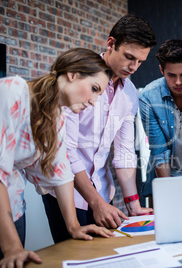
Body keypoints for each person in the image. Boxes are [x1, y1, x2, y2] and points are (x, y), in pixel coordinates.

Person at [41, 14, 156, 243]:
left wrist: (133, 203)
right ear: (111, 44)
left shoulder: (130, 93)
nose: (134, 67)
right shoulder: (80, 78)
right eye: (129, 57)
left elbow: (123, 152)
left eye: (140, 61)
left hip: (104, 193)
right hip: (67, 193)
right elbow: (66, 151)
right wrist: (95, 203)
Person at [0, 48, 114, 267]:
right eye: (94, 89)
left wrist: (73, 226)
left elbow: (59, 172)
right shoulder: (13, 91)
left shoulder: (55, 116)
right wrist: (12, 247)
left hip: (12, 210)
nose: (94, 101)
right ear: (73, 74)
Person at [139, 39, 182, 201]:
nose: (178, 82)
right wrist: (170, 196)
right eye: (171, 75)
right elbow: (159, 151)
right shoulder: (148, 98)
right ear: (161, 70)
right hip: (169, 177)